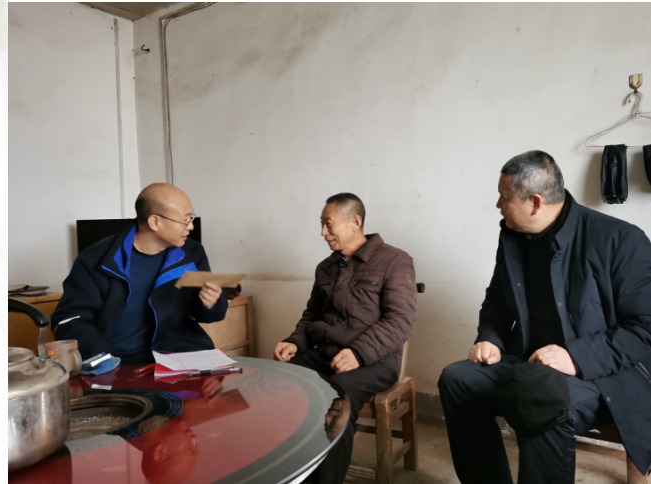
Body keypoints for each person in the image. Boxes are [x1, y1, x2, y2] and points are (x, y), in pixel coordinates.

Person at [438, 150, 651, 484]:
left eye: (504, 197)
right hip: (525, 363)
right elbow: (496, 303)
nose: (498, 204)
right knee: (457, 379)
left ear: (535, 202)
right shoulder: (512, 238)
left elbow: (645, 328)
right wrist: (490, 339)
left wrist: (575, 356)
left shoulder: (621, 239)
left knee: (536, 394)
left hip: (600, 375)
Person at [274, 193, 418, 484]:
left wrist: (358, 353)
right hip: (324, 353)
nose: (323, 232)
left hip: (375, 361)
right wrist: (295, 341)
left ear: (355, 222)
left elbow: (400, 320)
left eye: (328, 224)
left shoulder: (394, 259)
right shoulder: (326, 268)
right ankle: (290, 474)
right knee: (278, 383)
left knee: (336, 400)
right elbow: (311, 315)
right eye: (321, 224)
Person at [51, 183, 228, 364]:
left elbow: (211, 315)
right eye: (185, 219)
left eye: (191, 217)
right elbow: (69, 319)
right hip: (119, 361)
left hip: (180, 356)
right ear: (155, 222)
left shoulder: (192, 253)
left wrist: (212, 303)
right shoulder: (94, 259)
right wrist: (103, 360)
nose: (190, 226)